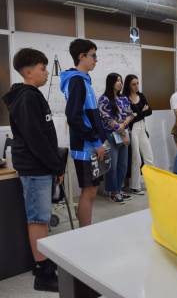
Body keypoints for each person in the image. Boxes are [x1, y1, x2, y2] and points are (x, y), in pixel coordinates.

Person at [3, 48, 63, 292]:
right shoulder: (27, 98)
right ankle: (43, 273)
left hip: (40, 166)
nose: (46, 73)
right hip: (36, 167)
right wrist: (55, 164)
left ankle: (44, 262)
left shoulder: (32, 95)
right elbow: (36, 138)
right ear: (28, 71)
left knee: (42, 216)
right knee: (38, 219)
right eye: (42, 68)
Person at [60, 39, 107, 226]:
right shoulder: (77, 81)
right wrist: (95, 141)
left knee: (91, 190)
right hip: (86, 146)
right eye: (93, 55)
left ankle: (85, 229)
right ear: (82, 56)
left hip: (91, 144)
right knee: (89, 191)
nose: (96, 60)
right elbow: (74, 116)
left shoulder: (83, 81)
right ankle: (85, 232)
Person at [98, 73, 134, 203]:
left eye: (121, 81)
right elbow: (106, 118)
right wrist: (121, 130)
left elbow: (130, 114)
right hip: (112, 135)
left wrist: (124, 125)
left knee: (123, 165)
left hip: (123, 133)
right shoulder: (104, 99)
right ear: (111, 82)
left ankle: (119, 189)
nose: (120, 83)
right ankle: (113, 191)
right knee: (112, 165)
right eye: (117, 81)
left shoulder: (123, 98)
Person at [122, 74, 154, 194]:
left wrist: (137, 114)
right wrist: (142, 112)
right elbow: (130, 119)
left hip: (142, 127)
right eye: (133, 84)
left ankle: (151, 183)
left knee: (149, 157)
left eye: (137, 83)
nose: (136, 86)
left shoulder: (141, 95)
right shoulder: (125, 98)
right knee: (136, 158)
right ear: (128, 85)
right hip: (133, 129)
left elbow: (150, 111)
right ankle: (135, 186)